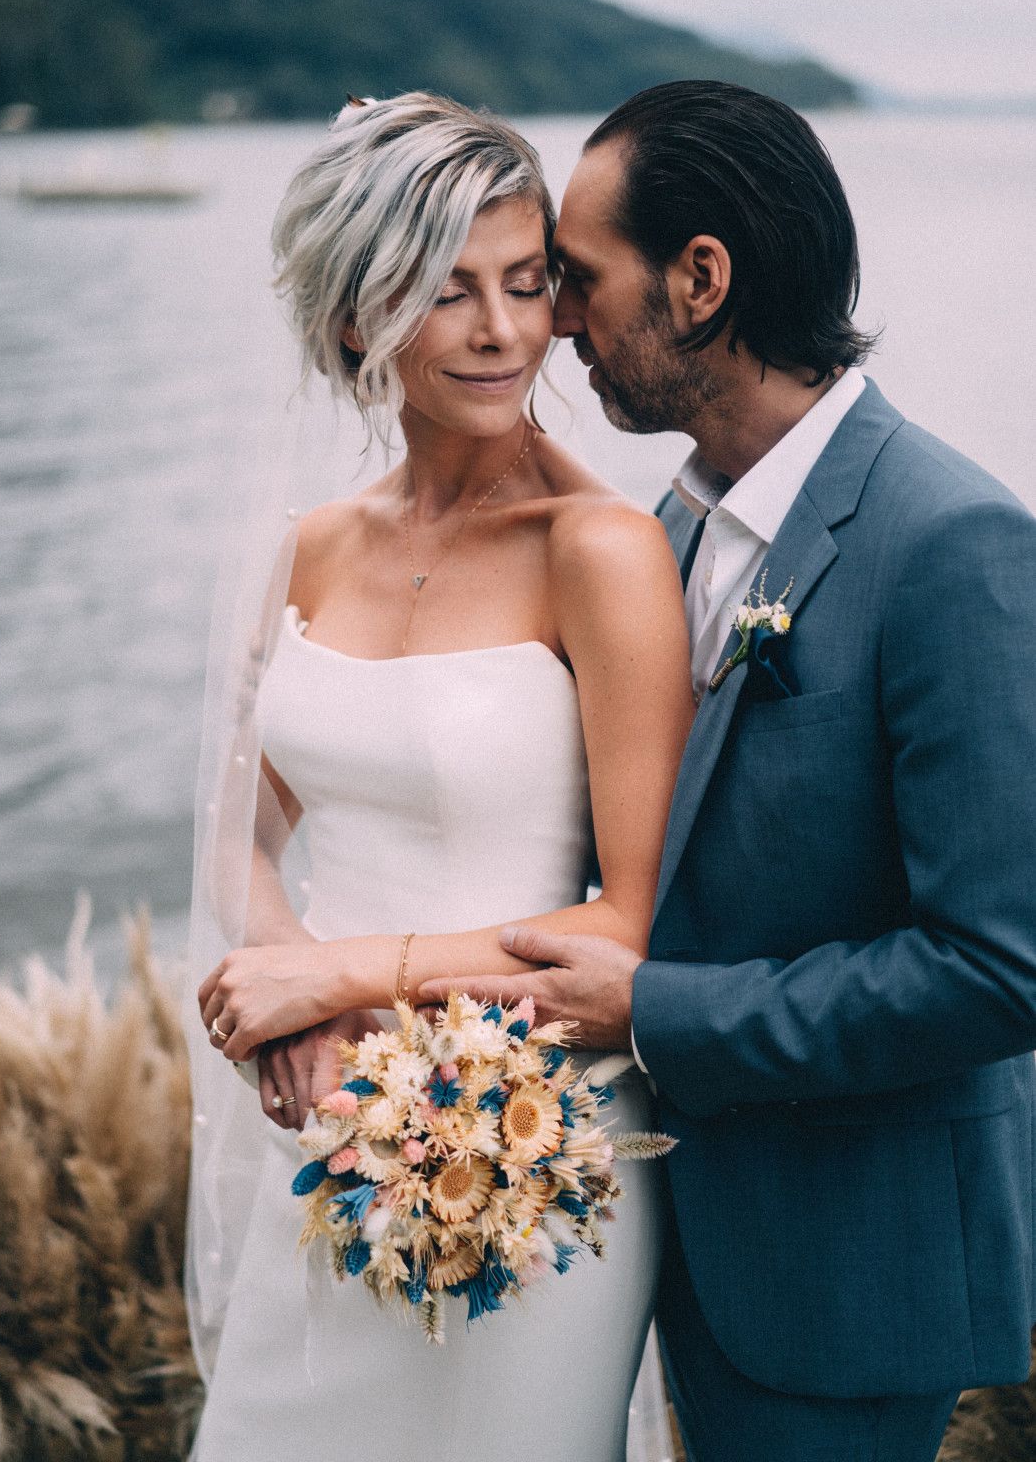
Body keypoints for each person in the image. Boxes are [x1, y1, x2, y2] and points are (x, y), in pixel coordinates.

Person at [428, 80, 1036, 1462]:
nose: (556, 323)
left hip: (847, 1263)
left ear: (700, 279)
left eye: (578, 280)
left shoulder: (954, 545)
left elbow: (1002, 968)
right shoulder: (671, 530)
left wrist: (654, 1012)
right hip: (666, 1228)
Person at [185, 92, 692, 1462]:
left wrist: (340, 978)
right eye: (444, 290)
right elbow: (240, 822)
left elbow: (634, 923)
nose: (500, 332)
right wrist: (288, 988)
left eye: (526, 286)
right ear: (358, 314)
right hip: (334, 1138)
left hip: (530, 1145)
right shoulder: (314, 549)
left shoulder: (601, 551)